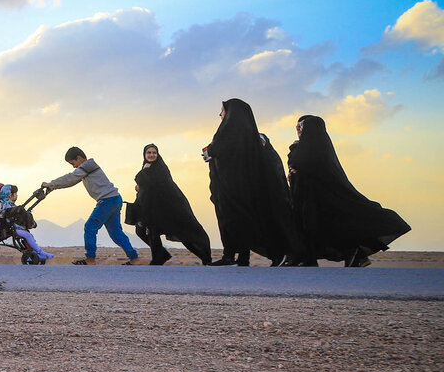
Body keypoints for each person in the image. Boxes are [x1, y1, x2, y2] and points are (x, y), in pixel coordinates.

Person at [287, 115, 410, 266]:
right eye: (297, 128)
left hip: (322, 200)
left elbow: (299, 164)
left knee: (336, 226)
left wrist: (295, 152)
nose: (299, 131)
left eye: (301, 127)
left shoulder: (317, 148)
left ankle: (352, 255)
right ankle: (353, 257)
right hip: (307, 199)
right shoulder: (303, 147)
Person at [203, 98, 298, 266]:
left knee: (241, 220)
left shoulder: (248, 137)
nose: (220, 114)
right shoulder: (228, 133)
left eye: (223, 111)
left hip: (240, 189)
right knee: (230, 220)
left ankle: (241, 256)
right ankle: (232, 255)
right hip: (227, 188)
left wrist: (212, 150)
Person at [42, 147, 139, 264]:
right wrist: (53, 187)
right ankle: (134, 258)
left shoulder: (87, 166)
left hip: (107, 200)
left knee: (90, 227)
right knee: (116, 233)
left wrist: (51, 184)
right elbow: (71, 180)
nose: (74, 167)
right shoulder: (87, 168)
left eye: (73, 163)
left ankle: (90, 258)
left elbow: (71, 178)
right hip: (114, 199)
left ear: (79, 158)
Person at [133, 143, 213, 265]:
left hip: (168, 208)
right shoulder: (147, 167)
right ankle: (161, 256)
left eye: (154, 152)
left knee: (184, 235)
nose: (151, 155)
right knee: (142, 230)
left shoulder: (160, 168)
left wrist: (143, 173)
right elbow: (143, 183)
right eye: (149, 152)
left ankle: (205, 258)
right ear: (144, 154)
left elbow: (150, 183)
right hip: (151, 208)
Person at [0, 185, 54, 261]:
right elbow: (8, 216)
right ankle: (40, 252)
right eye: (15, 194)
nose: (17, 196)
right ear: (10, 195)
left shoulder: (5, 203)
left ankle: (36, 253)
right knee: (28, 236)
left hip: (10, 226)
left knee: (28, 235)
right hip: (7, 227)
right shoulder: (5, 204)